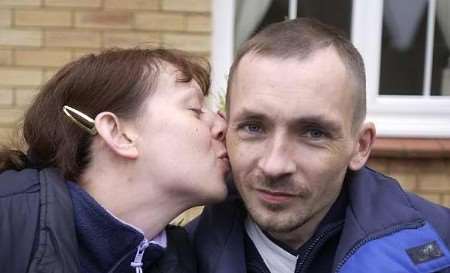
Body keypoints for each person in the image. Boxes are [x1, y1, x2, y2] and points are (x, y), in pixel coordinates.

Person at [188, 18, 450, 273]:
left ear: (360, 146)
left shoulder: (442, 247)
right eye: (253, 127)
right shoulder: (177, 258)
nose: (274, 165)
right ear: (225, 131)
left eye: (313, 133)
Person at [0, 48, 229, 273]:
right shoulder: (9, 223)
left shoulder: (188, 259)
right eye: (196, 110)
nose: (222, 126)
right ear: (118, 134)